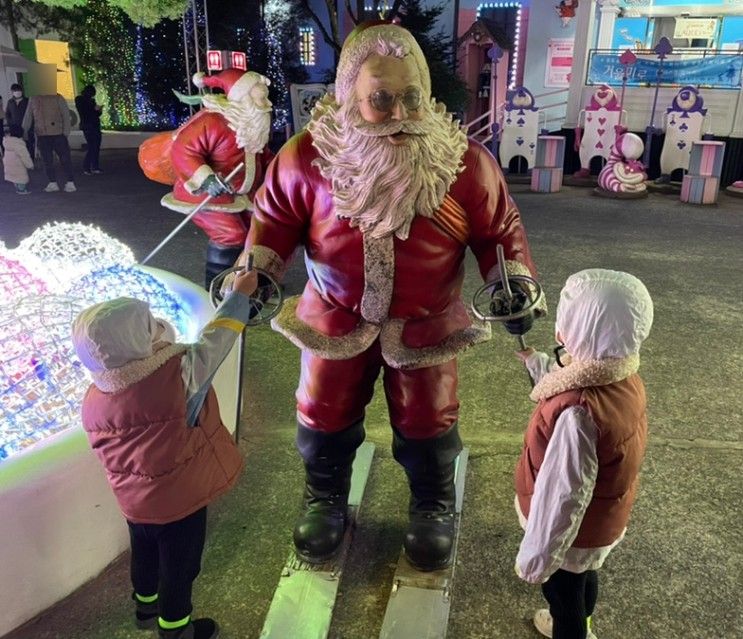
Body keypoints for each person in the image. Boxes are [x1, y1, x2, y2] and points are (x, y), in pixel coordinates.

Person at [237, 21, 545, 571]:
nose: (400, 114)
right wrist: (256, 270)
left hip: (428, 322)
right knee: (322, 413)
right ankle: (324, 497)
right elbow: (274, 220)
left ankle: (432, 504)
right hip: (332, 318)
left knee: (430, 419)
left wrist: (511, 279)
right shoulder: (304, 158)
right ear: (349, 98)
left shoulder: (465, 162)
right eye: (381, 100)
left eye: (411, 97)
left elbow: (499, 229)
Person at [71, 264, 258, 639]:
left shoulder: (95, 396)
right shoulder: (179, 377)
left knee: (144, 555)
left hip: (134, 503)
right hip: (179, 504)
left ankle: (145, 607)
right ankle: (175, 628)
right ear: (137, 344)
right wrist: (240, 296)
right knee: (180, 567)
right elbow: (216, 341)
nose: (157, 327)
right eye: (149, 327)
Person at [513, 269, 653, 639]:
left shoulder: (578, 414)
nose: (560, 331)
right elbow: (569, 376)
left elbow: (563, 496)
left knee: (563, 596)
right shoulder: (623, 374)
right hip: (600, 523)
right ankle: (581, 625)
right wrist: (535, 362)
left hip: (572, 535)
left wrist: (537, 557)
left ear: (581, 332)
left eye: (568, 322)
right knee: (583, 580)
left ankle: (573, 631)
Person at [140, 68, 274, 289]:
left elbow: (263, 157)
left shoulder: (251, 126)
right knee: (230, 235)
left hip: (240, 195)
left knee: (257, 230)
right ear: (243, 96)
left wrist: (282, 170)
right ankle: (217, 287)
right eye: (260, 95)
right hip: (207, 195)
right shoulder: (213, 122)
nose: (266, 100)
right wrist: (207, 179)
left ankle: (247, 283)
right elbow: (184, 150)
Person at [22, 85, 76, 193]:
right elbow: (28, 116)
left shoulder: (57, 97)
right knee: (47, 161)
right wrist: (24, 131)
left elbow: (66, 115)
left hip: (58, 134)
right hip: (42, 135)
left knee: (65, 159)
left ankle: (70, 182)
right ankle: (52, 182)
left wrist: (65, 132)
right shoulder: (34, 98)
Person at [75, 84, 103, 175]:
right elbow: (87, 112)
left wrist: (98, 110)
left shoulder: (88, 101)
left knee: (95, 146)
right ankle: (88, 166)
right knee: (93, 146)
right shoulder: (82, 100)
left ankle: (94, 166)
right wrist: (95, 109)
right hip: (89, 125)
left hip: (91, 125)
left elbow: (95, 114)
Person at [5, 83, 34, 158]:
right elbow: (7, 113)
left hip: (27, 128)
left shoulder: (28, 101)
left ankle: (30, 161)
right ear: (12, 92)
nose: (17, 92)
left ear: (21, 91)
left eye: (18, 90)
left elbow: (32, 114)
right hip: (15, 128)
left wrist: (31, 125)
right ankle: (20, 162)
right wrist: (11, 123)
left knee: (29, 145)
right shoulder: (10, 102)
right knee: (17, 146)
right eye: (15, 91)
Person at [3, 124, 34, 194]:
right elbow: (25, 156)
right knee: (21, 178)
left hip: (9, 165)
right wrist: (30, 165)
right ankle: (22, 189)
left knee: (14, 176)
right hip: (18, 165)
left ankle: (17, 186)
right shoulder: (19, 145)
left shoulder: (7, 142)